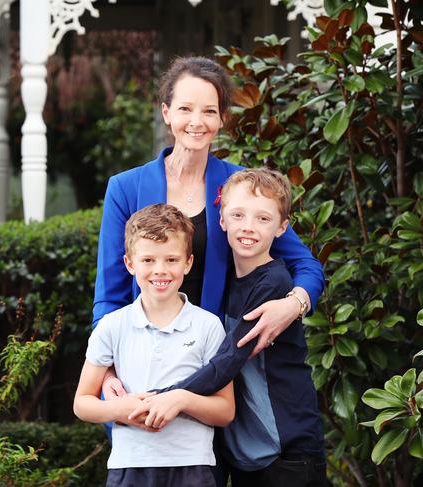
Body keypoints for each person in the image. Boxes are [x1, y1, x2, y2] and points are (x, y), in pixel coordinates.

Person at [94, 56, 325, 400]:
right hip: (142, 364)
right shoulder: (125, 188)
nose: (196, 122)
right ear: (166, 112)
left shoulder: (242, 186)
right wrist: (107, 368)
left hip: (216, 365)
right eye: (185, 108)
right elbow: (110, 293)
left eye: (209, 111)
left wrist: (293, 305)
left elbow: (306, 265)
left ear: (222, 119)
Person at [130, 169, 325, 487]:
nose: (248, 227)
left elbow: (230, 359)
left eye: (263, 219)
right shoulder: (225, 280)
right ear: (221, 221)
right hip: (247, 448)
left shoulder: (274, 282)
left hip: (288, 447)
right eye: (238, 215)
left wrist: (167, 397)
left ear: (282, 227)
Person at [74, 204, 235, 487]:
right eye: (148, 260)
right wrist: (121, 409)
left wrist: (181, 400)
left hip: (193, 467)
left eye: (171, 260)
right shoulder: (112, 326)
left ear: (188, 263)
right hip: (130, 466)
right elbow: (82, 403)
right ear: (129, 263)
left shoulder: (209, 326)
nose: (160, 270)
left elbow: (225, 411)